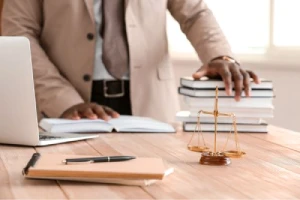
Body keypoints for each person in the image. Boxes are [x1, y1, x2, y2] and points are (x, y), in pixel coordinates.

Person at [1, 0, 259, 123]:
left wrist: (219, 55)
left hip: (151, 106)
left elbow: (195, 13)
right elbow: (17, 31)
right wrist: (63, 100)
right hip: (68, 108)